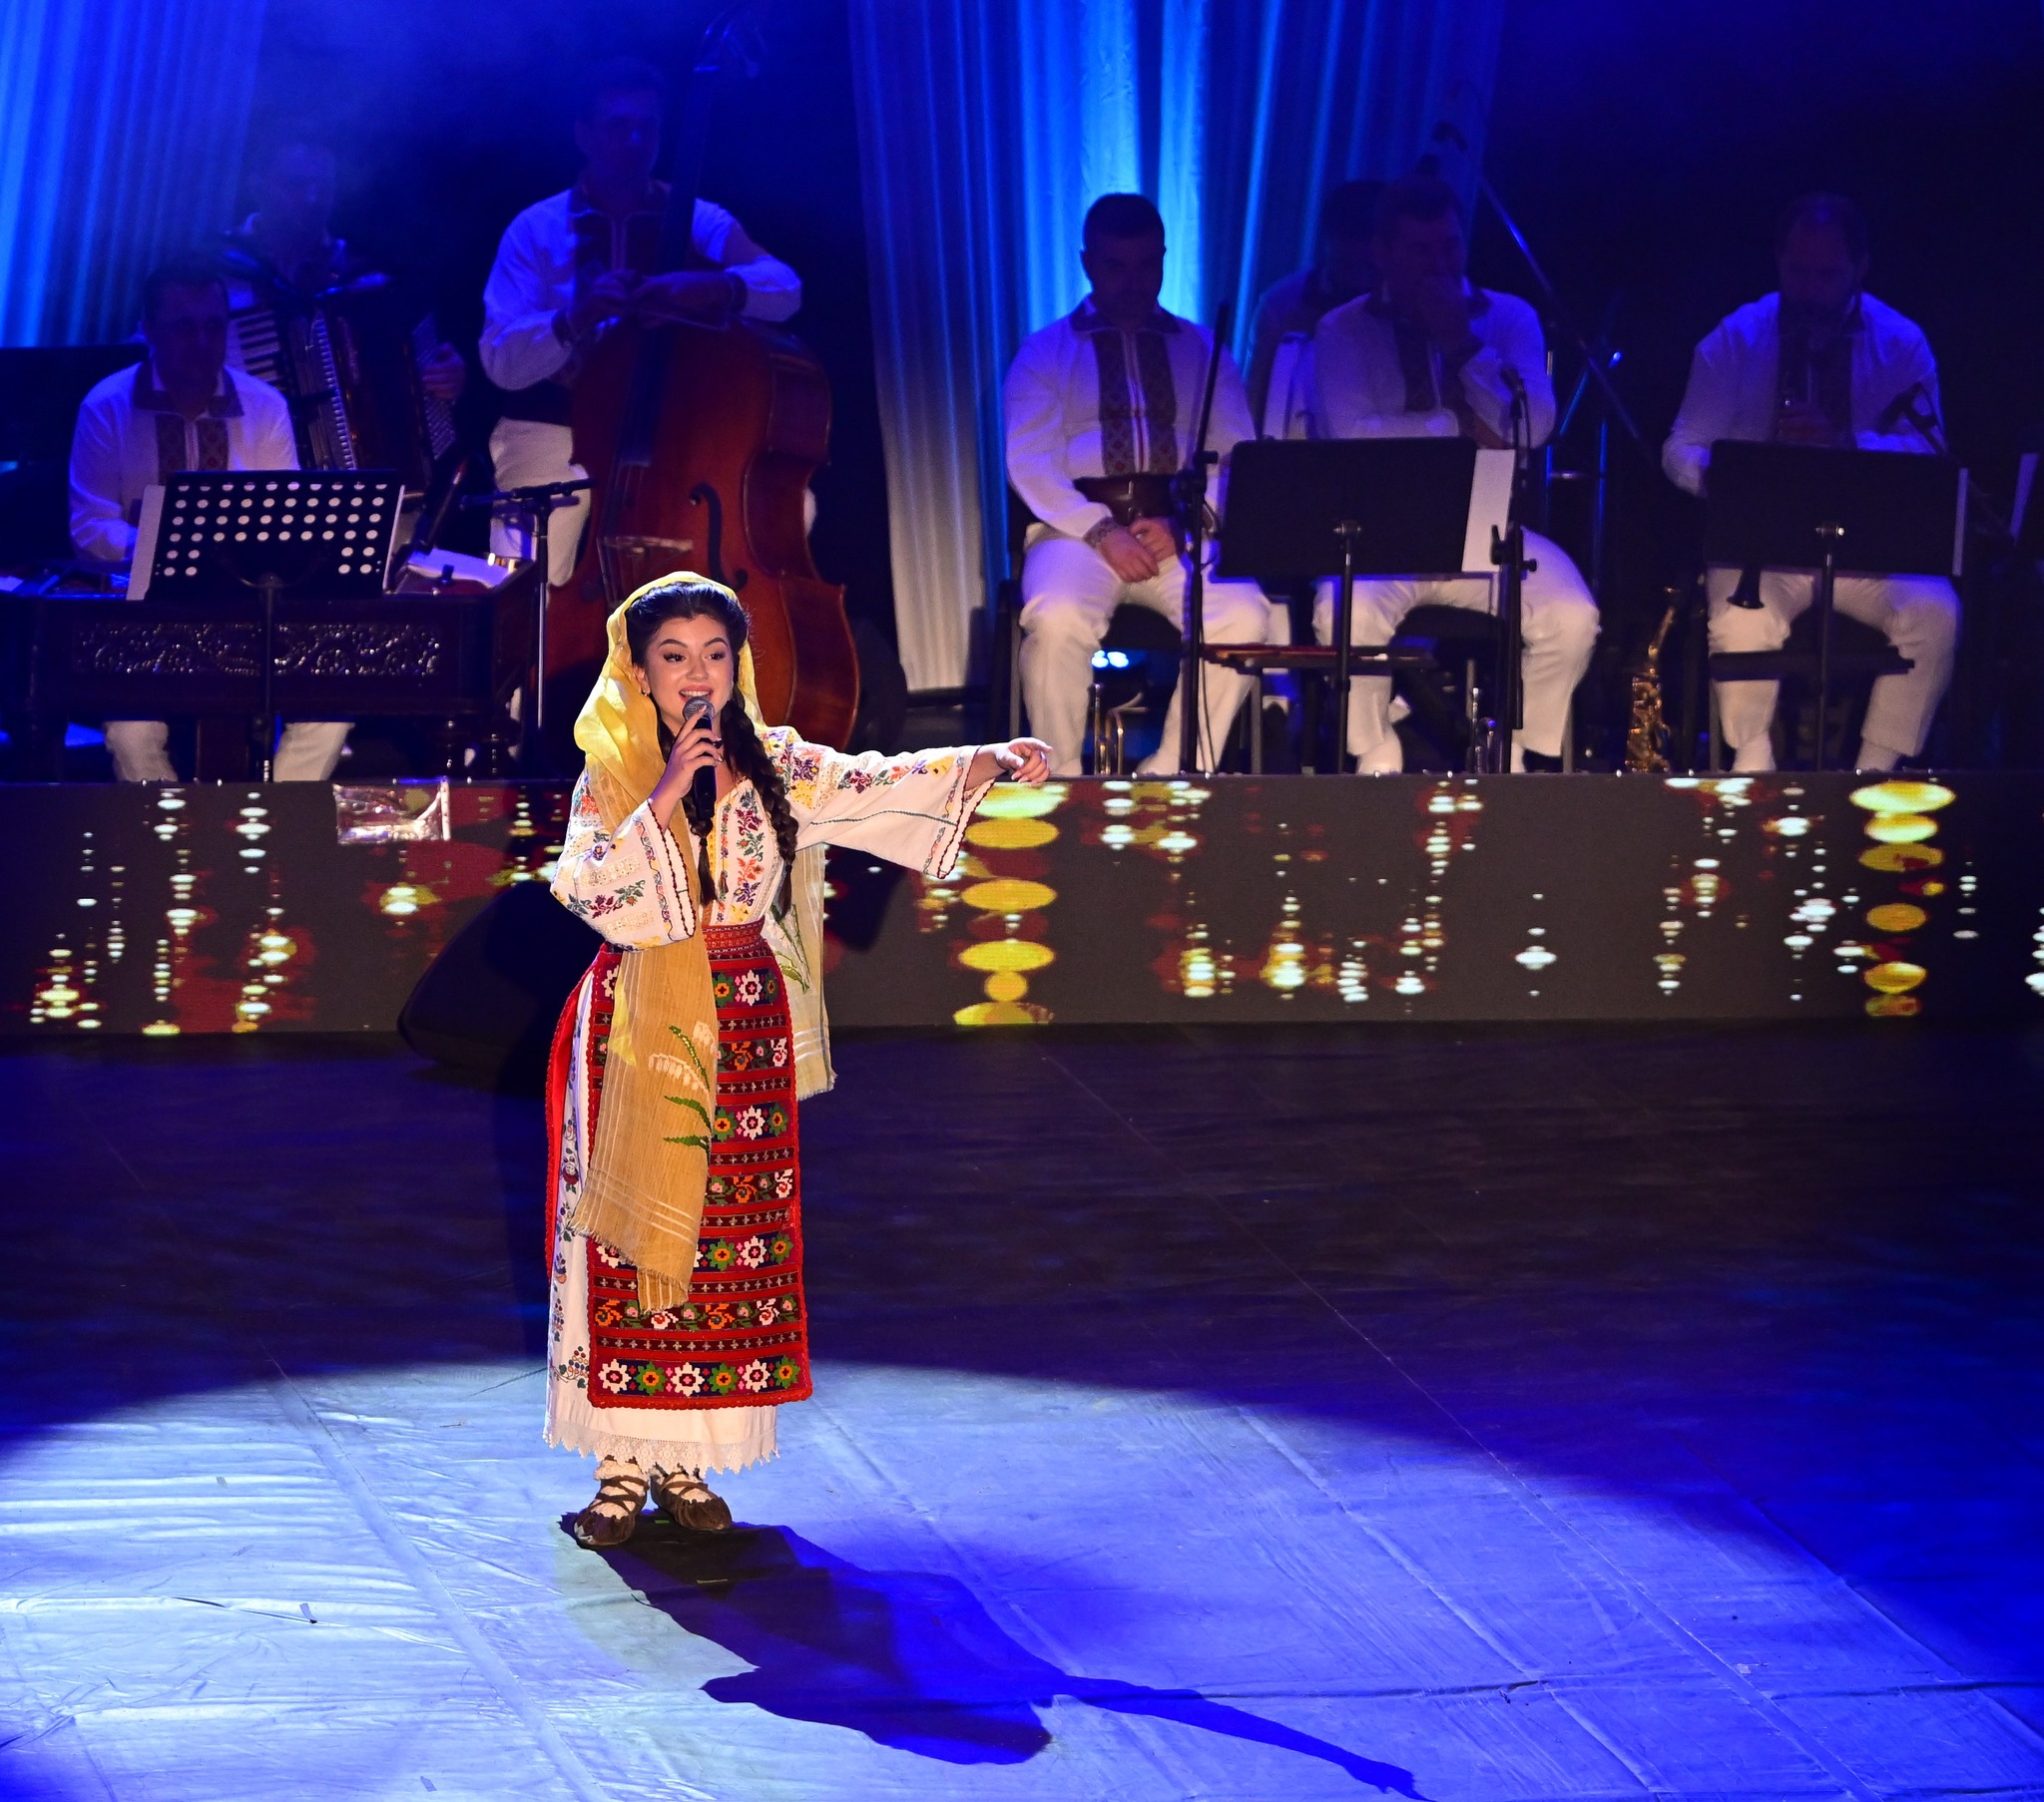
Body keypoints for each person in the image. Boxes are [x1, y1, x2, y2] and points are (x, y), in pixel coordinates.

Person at [545, 573, 1049, 1545]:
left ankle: (688, 1461)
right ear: (638, 673)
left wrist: (982, 760)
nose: (696, 674)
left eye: (714, 654)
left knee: (720, 1239)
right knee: (629, 1236)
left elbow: (874, 785)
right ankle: (618, 1465)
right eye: (673, 657)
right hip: (635, 1024)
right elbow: (592, 891)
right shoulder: (610, 770)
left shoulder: (773, 762)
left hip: (743, 1020)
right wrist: (665, 791)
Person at [1309, 175, 1599, 772]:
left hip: (1488, 530)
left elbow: (1532, 426)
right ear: (1382, 252)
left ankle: (1519, 753)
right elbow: (1352, 434)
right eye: (1420, 251)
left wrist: (1462, 345)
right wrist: (1456, 424)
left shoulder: (1508, 318)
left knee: (1574, 617)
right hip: (1383, 538)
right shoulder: (1343, 328)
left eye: (1449, 247)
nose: (1439, 265)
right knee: (1342, 609)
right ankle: (1374, 751)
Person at [1664, 194, 1957, 773]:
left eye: (1827, 276)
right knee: (1741, 620)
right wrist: (1729, 476)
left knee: (1937, 612)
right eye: (1797, 272)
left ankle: (1874, 775)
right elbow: (1679, 447)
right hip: (1761, 547)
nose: (1810, 290)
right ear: (1778, 262)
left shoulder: (1901, 344)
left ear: (1860, 269)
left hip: (1869, 550)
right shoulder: (1735, 339)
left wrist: (1847, 444)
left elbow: (1930, 451)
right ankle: (1754, 769)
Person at [480, 57, 800, 584]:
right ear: (583, 134)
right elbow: (500, 362)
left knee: (789, 508)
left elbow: (786, 288)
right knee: (521, 559)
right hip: (555, 424)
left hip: (670, 427)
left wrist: (712, 286)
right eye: (618, 126)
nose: (633, 140)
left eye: (646, 128)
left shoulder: (696, 219)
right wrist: (575, 316)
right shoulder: (535, 229)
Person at [1005, 193, 1274, 776]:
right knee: (1056, 618)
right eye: (1115, 266)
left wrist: (1186, 523)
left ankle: (1177, 771)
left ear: (1164, 260)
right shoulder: (1046, 351)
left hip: (1177, 530)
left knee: (1246, 615)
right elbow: (1030, 462)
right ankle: (1059, 780)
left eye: (1146, 265)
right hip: (1074, 530)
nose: (1132, 281)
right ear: (1087, 263)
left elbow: (1234, 458)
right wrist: (1102, 531)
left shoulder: (1202, 350)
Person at [68, 254, 350, 782]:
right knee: (131, 733)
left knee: (331, 710)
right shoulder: (106, 407)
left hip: (249, 610)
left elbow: (286, 519)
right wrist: (173, 547)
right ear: (150, 331)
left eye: (214, 327)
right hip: (144, 615)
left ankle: (269, 818)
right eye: (184, 328)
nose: (201, 342)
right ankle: (169, 829)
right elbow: (89, 526)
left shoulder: (265, 406)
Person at [221, 139, 466, 420]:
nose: (312, 199)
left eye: (324, 187)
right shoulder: (219, 265)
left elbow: (419, 368)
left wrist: (447, 377)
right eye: (295, 185)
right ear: (256, 185)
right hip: (251, 435)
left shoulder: (364, 275)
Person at [1245, 178, 1383, 436]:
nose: (1361, 254)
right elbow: (1255, 401)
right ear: (1329, 239)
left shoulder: (1407, 310)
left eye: (1369, 242)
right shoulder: (1282, 305)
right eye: (1352, 239)